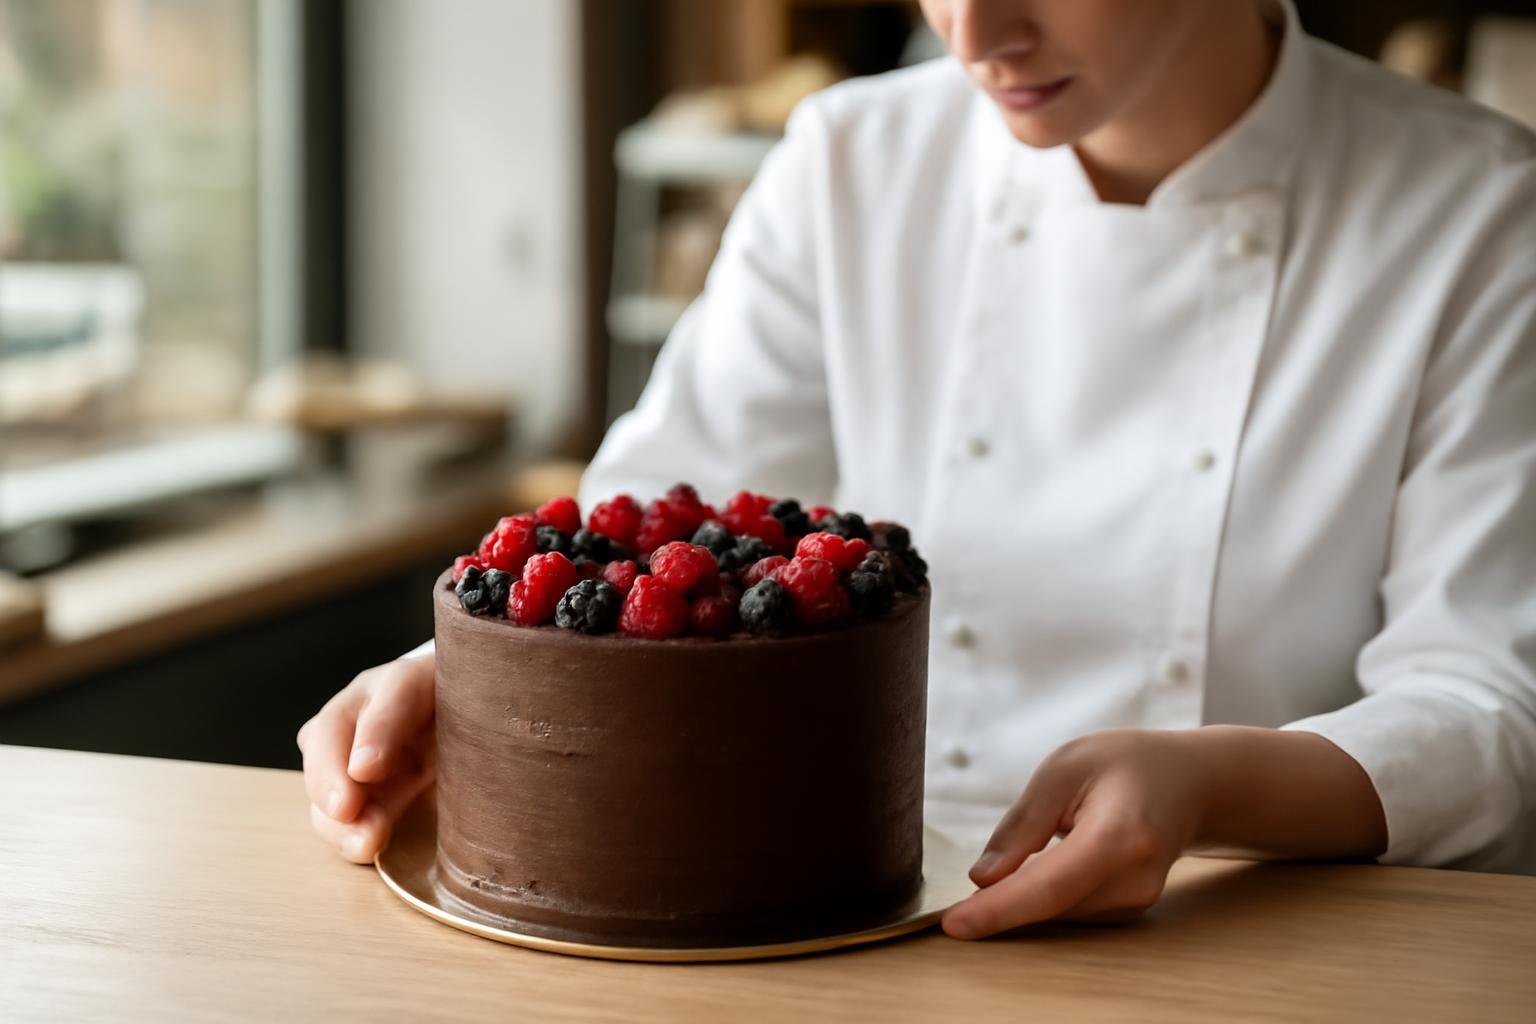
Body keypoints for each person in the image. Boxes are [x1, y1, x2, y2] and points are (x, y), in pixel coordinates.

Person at [298, 0, 1536, 939]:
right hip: (825, 926)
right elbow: (659, 528)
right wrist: (467, 675)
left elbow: (1492, 706)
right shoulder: (849, 162)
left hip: (1257, 932)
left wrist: (1214, 786)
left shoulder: (1477, 210)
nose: (977, 33)